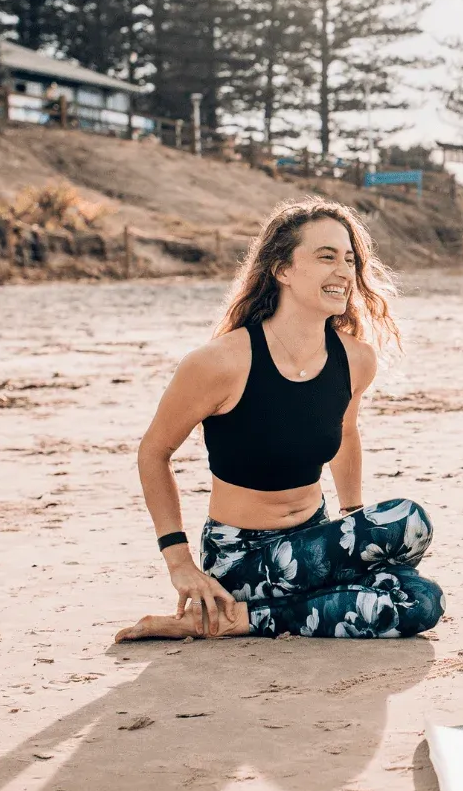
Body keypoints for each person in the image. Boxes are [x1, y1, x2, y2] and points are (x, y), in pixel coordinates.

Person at [119, 197, 443, 642]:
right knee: (410, 520)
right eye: (326, 256)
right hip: (240, 559)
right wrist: (179, 562)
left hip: (317, 541)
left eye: (350, 259)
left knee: (423, 600)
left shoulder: (355, 359)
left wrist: (352, 520)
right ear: (282, 269)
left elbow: (346, 432)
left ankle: (246, 618)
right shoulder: (219, 363)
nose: (345, 271)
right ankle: (248, 604)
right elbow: (154, 452)